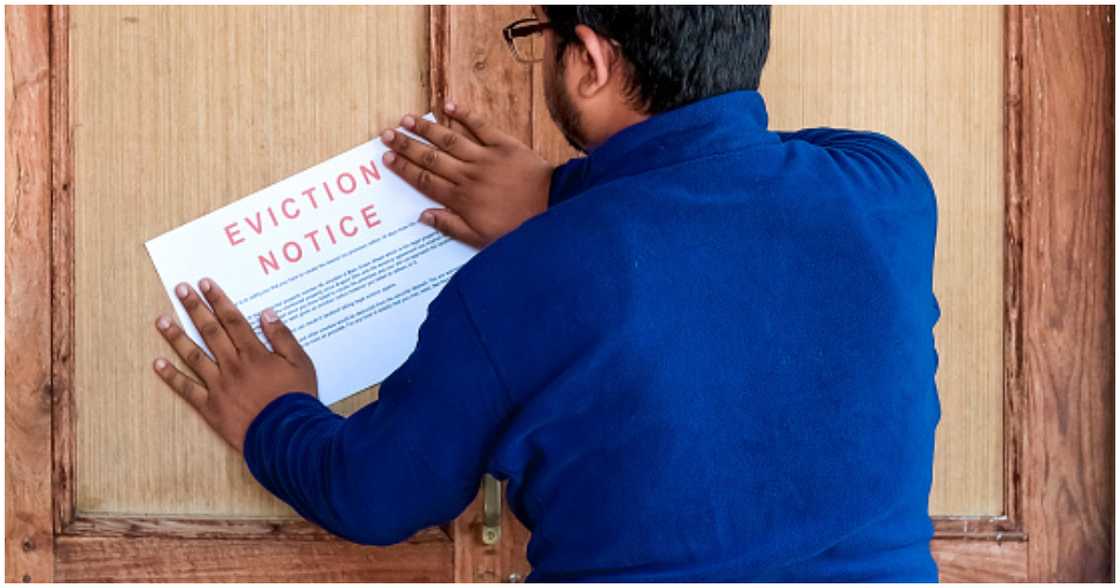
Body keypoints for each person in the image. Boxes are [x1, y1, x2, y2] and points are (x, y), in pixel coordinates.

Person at [151, 5, 941, 581]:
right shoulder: (887, 188)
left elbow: (376, 495)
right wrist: (559, 193)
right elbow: (726, 180)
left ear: (590, 59)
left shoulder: (521, 278)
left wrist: (273, 413)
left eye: (541, 37)